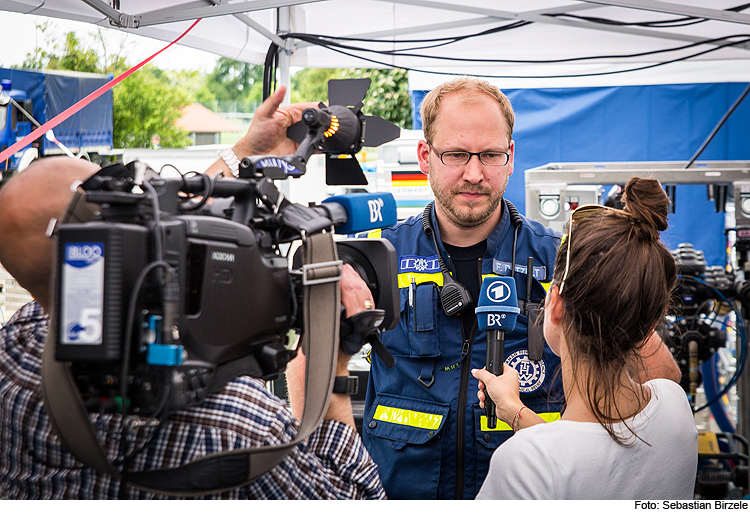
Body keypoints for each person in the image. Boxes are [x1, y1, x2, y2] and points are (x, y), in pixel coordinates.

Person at [0, 89, 385, 499]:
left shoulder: (13, 356)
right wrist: (332, 359)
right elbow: (353, 503)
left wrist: (245, 151)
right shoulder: (237, 424)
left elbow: (165, 228)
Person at [359, 76, 681, 500]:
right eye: (456, 154)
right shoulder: (381, 255)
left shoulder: (562, 259)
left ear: (510, 157)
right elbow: (315, 356)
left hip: (530, 493)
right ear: (425, 156)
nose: (474, 173)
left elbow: (660, 376)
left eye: (490, 155)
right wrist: (344, 459)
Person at [474, 177, 698, 500]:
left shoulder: (521, 465)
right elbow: (581, 459)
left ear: (557, 307)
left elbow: (563, 464)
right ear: (650, 324)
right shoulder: (675, 409)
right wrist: (514, 409)